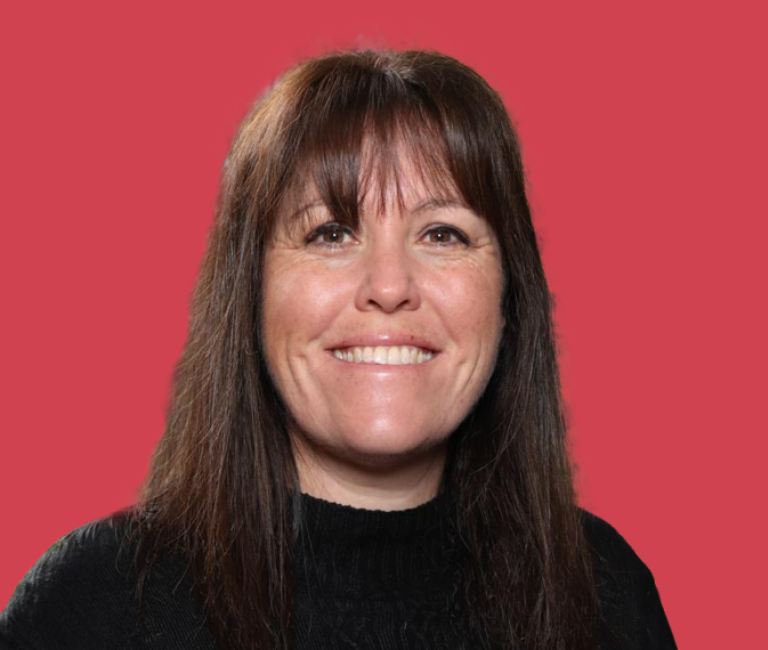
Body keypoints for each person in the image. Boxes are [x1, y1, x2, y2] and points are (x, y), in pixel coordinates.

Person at [0, 48, 676, 650]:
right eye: (330, 233)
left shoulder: (608, 595)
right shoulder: (90, 609)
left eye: (443, 234)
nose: (388, 286)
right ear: (252, 291)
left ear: (509, 295)